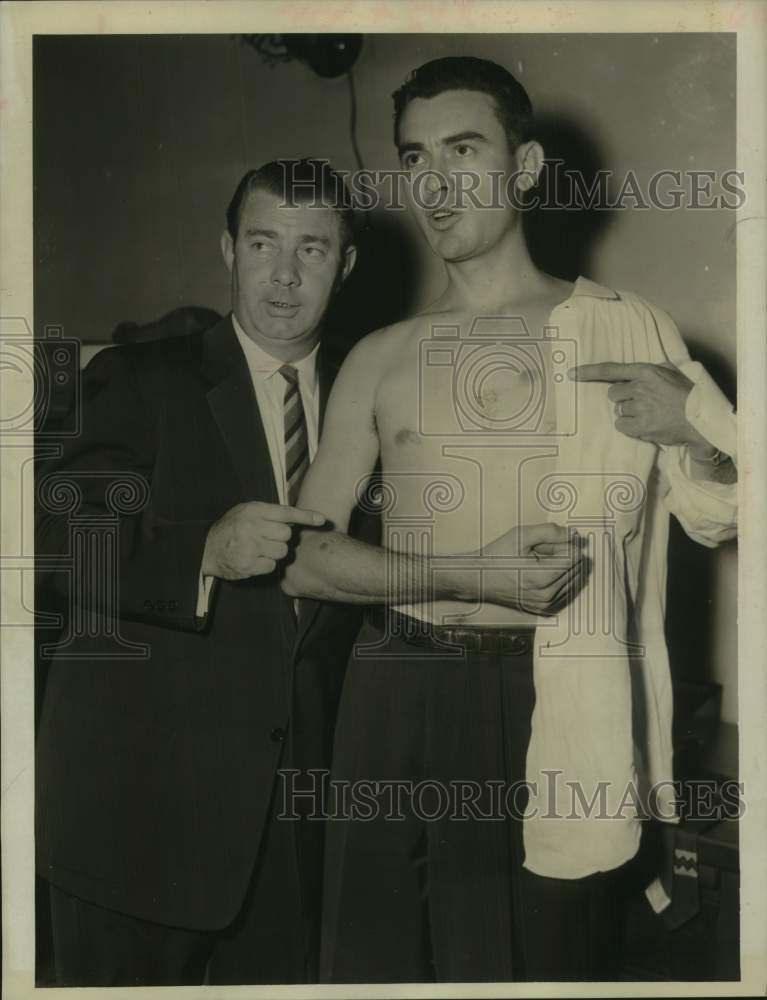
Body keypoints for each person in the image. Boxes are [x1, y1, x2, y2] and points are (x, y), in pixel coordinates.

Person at [283, 57, 738, 982]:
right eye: (414, 158)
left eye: (463, 150)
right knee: (379, 964)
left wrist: (695, 433)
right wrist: (464, 576)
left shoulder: (625, 328)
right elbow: (304, 558)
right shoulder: (377, 356)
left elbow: (717, 512)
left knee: (542, 961)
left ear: (524, 168)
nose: (436, 184)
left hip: (556, 694)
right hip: (394, 689)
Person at [35, 159, 360, 985]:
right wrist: (201, 553)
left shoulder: (371, 399)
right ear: (227, 249)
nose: (284, 276)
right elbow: (56, 538)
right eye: (263, 243)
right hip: (137, 826)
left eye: (313, 250)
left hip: (289, 841)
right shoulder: (140, 378)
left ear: (346, 264)